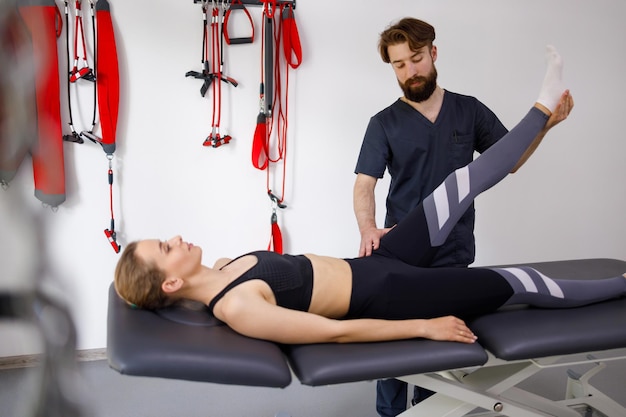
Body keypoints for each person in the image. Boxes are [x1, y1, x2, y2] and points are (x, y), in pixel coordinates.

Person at [114, 48, 625, 354]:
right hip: (394, 293)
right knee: (517, 282)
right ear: (173, 280)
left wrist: (370, 232)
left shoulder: (227, 266)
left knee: (458, 183)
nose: (176, 237)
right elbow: (331, 334)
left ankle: (544, 105)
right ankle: (619, 287)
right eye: (165, 246)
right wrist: (423, 327)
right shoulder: (238, 307)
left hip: (383, 258)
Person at [352, 18, 572, 415]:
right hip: (402, 254)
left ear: (433, 53)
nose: (409, 71)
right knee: (394, 351)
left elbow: (510, 160)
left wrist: (545, 127)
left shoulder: (468, 111)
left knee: (441, 353)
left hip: (453, 253)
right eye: (399, 65)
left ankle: (431, 411)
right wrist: (368, 228)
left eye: (415, 59)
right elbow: (364, 184)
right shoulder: (383, 123)